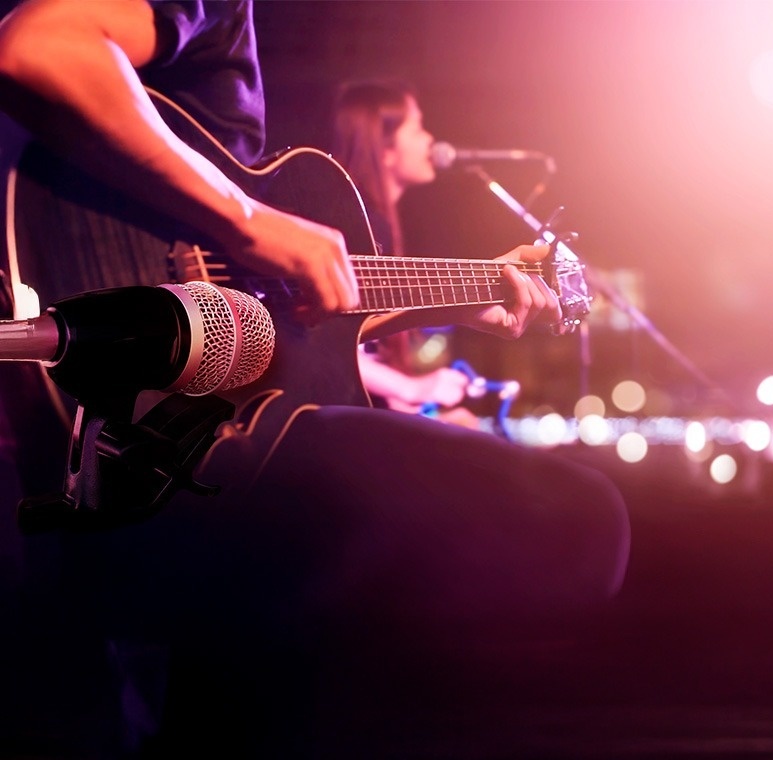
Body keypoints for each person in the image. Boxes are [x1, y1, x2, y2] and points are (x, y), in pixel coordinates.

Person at [0, 0, 630, 754]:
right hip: (135, 411)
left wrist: (472, 291)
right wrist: (253, 220)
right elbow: (38, 46)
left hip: (151, 445)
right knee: (577, 519)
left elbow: (282, 314)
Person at [333, 78, 478, 427]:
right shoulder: (358, 224)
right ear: (384, 150)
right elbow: (333, 345)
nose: (430, 139)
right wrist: (413, 389)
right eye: (417, 128)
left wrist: (419, 415)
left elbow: (364, 352)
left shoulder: (373, 221)